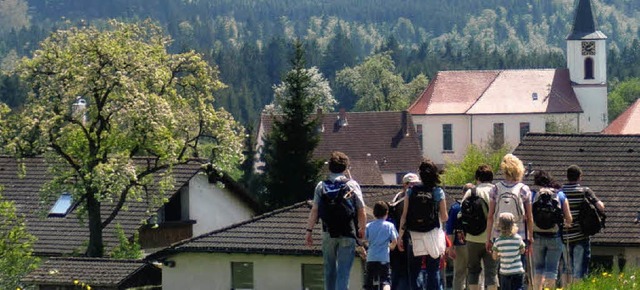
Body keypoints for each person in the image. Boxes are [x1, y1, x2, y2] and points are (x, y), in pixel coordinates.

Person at [305, 151, 367, 290]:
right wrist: (362, 229)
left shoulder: (321, 186)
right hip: (347, 232)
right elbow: (361, 209)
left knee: (329, 269)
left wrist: (309, 231)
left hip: (328, 232)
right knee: (343, 271)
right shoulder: (352, 185)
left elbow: (315, 210)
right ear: (345, 168)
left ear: (330, 167)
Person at [398, 159, 448, 290]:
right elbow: (444, 217)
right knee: (433, 271)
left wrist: (400, 237)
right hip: (432, 234)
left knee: (414, 272)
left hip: (414, 235)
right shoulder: (437, 191)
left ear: (420, 174)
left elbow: (404, 215)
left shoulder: (411, 191)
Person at [485, 154, 533, 288]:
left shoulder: (496, 188)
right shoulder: (524, 189)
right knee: (519, 270)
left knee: (503, 269)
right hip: (520, 235)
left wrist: (488, 238)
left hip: (498, 234)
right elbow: (529, 217)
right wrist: (530, 237)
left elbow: (490, 216)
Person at [561, 165, 605, 283]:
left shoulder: (560, 192)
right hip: (581, 235)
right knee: (579, 270)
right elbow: (600, 206)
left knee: (566, 268)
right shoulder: (584, 191)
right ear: (580, 177)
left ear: (567, 176)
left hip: (565, 236)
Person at [531, 170, 572, 290]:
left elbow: (527, 215)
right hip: (555, 236)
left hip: (537, 236)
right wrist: (565, 223)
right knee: (552, 269)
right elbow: (569, 218)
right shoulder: (560, 195)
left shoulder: (533, 195)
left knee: (538, 269)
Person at [463, 165, 498, 290]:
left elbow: (461, 215)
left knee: (473, 271)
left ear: (477, 178)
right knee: (491, 271)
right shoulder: (495, 191)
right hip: (492, 237)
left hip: (472, 238)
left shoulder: (470, 192)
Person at [389, 173, 420, 290]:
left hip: (403, 238)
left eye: (416, 184)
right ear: (404, 185)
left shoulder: (398, 197)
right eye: (411, 184)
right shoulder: (400, 199)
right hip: (402, 239)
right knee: (403, 271)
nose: (414, 186)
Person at [364, 201, 399, 290]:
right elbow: (395, 241)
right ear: (386, 213)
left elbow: (364, 240)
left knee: (369, 282)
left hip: (371, 257)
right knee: (385, 280)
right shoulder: (389, 226)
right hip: (384, 258)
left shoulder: (369, 226)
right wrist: (390, 247)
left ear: (374, 213)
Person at [445, 183, 473, 290]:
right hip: (476, 243)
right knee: (474, 273)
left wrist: (450, 247)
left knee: (458, 274)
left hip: (459, 243)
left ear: (462, 193)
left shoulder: (456, 208)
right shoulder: (479, 205)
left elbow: (449, 230)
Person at [492, 212, 526, 290]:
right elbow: (523, 250)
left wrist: (500, 255)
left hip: (505, 272)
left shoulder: (498, 241)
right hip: (517, 270)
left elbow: (494, 256)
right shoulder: (518, 238)